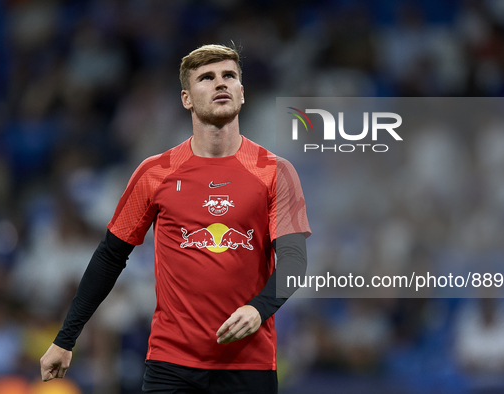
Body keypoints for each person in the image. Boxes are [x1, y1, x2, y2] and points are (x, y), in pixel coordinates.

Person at [40, 43, 311, 394]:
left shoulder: (275, 172)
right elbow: (110, 257)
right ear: (186, 99)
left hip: (248, 364)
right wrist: (66, 339)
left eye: (229, 76)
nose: (220, 84)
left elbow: (294, 259)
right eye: (207, 78)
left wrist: (259, 310)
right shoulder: (155, 173)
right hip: (172, 364)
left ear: (241, 94)